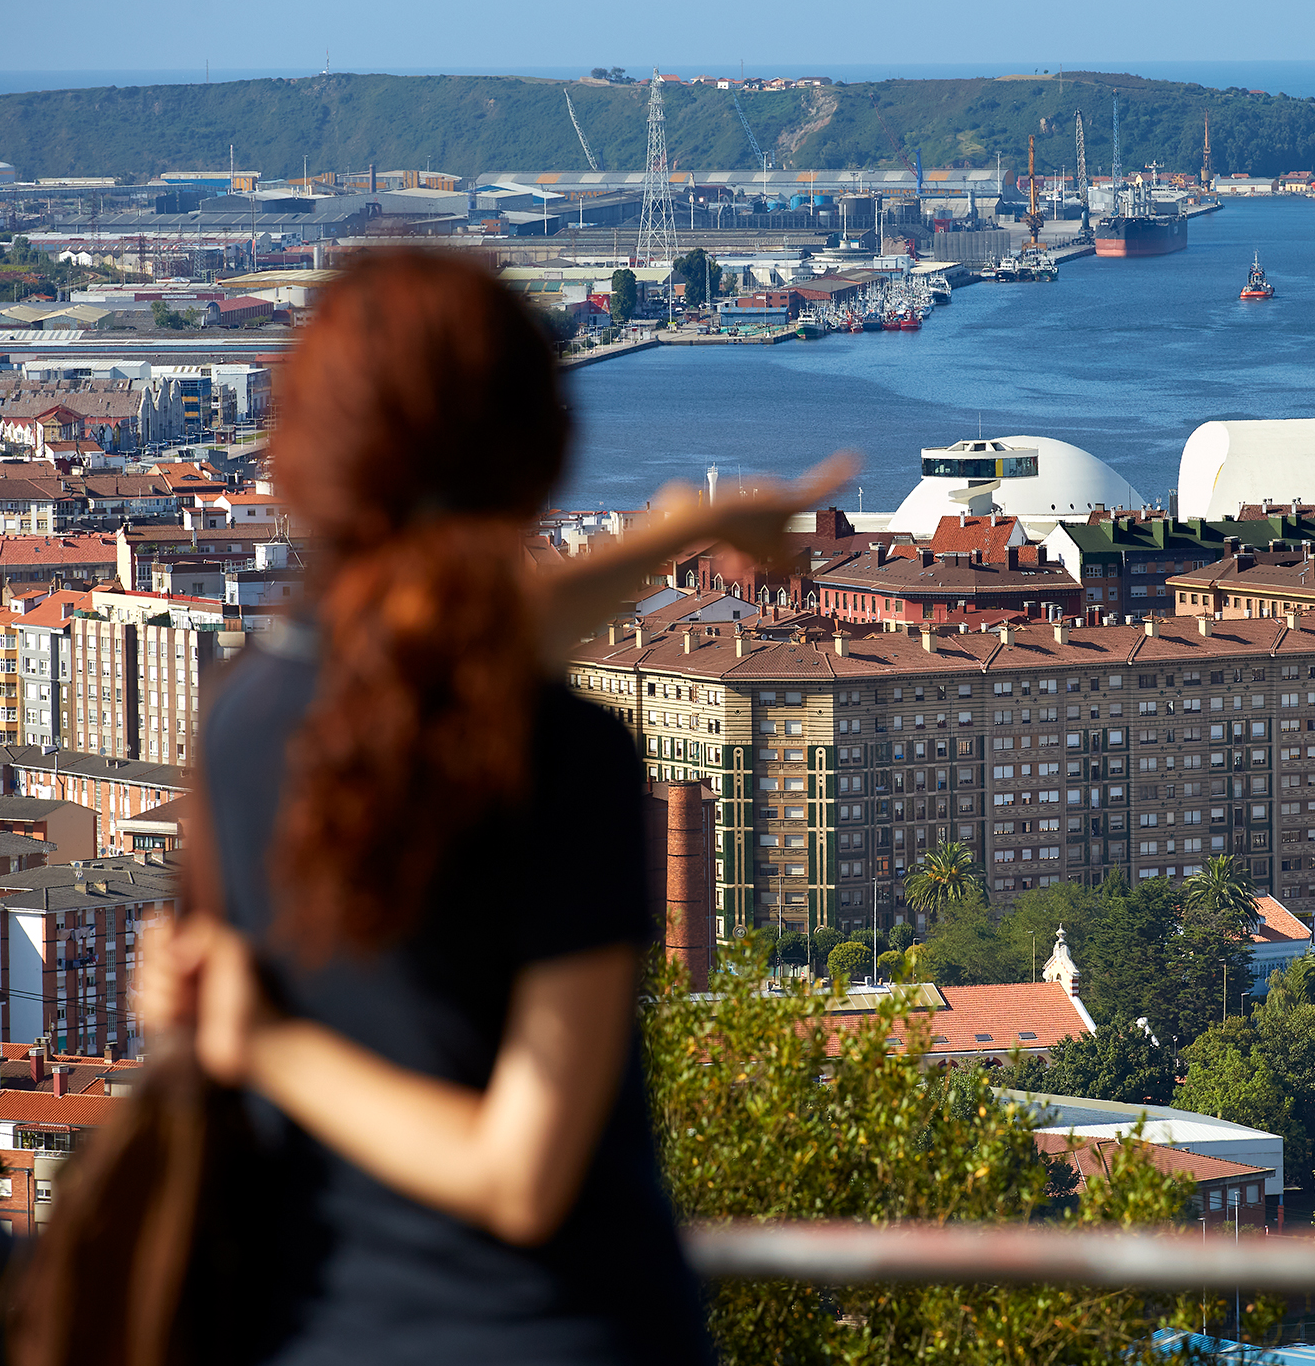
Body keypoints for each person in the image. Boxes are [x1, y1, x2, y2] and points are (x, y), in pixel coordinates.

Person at [142, 249, 850, 1365]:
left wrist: (678, 532)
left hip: (318, 1331)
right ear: (542, 455)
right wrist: (267, 1046)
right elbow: (518, 1178)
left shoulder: (243, 715)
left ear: (306, 460)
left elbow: (437, 642)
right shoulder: (562, 753)